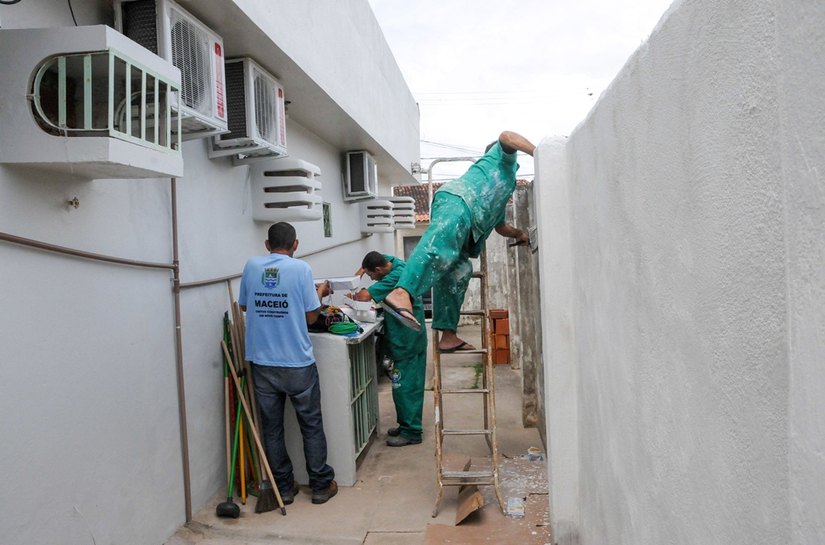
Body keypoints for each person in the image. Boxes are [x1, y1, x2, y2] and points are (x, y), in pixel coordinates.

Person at [383, 130, 535, 352]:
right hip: (458, 201)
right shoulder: (499, 159)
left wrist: (520, 234)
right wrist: (538, 154)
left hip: (469, 225)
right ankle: (401, 291)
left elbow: (501, 226)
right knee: (440, 247)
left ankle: (448, 335)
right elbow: (506, 136)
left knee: (459, 272)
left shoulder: (503, 187)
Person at [238, 222, 337, 505]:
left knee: (272, 428)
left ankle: (283, 488)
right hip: (297, 363)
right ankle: (319, 485)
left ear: (267, 245)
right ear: (295, 245)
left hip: (262, 362)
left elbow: (245, 306)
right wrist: (319, 293)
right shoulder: (301, 269)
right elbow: (310, 317)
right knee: (311, 425)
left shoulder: (252, 266)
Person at [351, 251, 427, 447]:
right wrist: (357, 275)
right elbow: (374, 257)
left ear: (377, 270)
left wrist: (354, 292)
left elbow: (365, 296)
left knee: (405, 387)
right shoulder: (392, 262)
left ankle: (412, 432)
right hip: (407, 339)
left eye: (371, 275)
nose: (371, 279)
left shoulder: (394, 276)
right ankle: (405, 425)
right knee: (402, 384)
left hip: (407, 340)